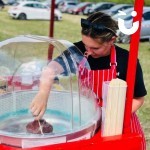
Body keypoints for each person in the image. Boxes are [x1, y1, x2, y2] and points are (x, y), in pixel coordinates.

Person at [30, 12, 147, 149]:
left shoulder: (126, 59)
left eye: (95, 48)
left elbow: (138, 98)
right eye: (86, 45)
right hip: (88, 119)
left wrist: (114, 117)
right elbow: (50, 70)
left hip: (118, 121)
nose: (88, 52)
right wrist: (43, 94)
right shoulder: (77, 50)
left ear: (112, 40)